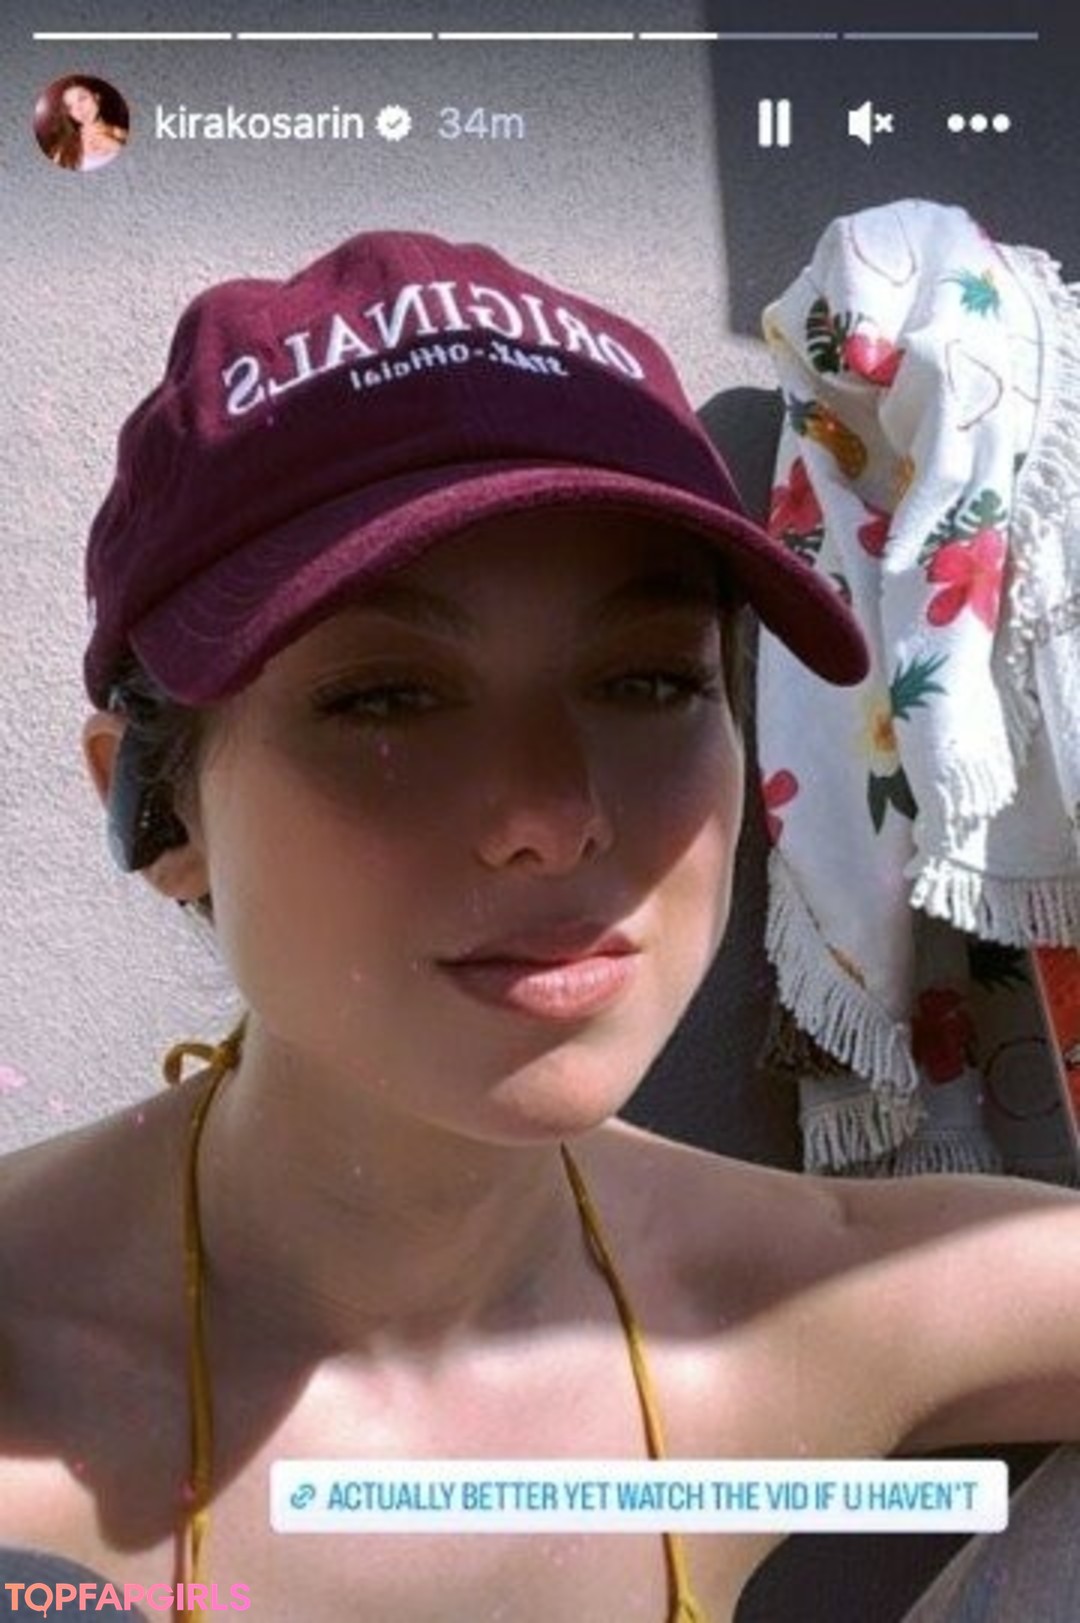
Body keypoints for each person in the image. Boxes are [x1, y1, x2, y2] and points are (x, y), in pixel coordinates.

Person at [0, 230, 1076, 1623]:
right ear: (156, 810)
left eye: (646, 680)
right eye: (387, 698)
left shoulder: (805, 1298)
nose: (555, 815)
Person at [43, 76, 128, 173]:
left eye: (82, 98)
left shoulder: (125, 135)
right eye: (70, 106)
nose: (79, 109)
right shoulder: (63, 151)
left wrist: (116, 147)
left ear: (97, 98)